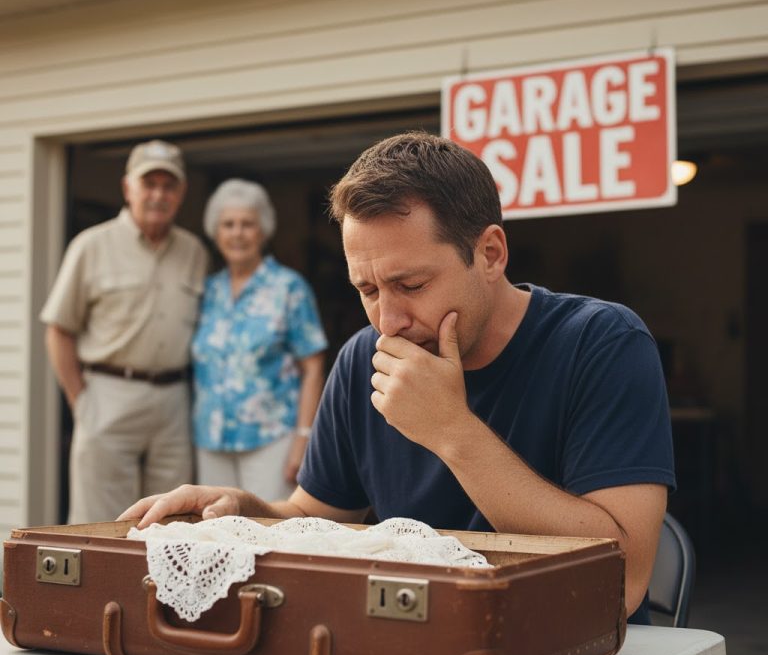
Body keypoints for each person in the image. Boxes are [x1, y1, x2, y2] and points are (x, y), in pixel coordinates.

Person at [121, 132, 675, 622]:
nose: (388, 321)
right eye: (367, 290)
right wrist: (245, 514)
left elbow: (621, 582)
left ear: (490, 253)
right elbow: (314, 518)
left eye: (411, 286)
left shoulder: (602, 343)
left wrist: (451, 431)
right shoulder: (363, 357)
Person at [42, 139, 208, 524]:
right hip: (108, 394)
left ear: (180, 194)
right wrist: (80, 402)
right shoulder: (91, 246)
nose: (158, 194)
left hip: (174, 403)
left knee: (173, 520)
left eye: (169, 186)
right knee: (102, 522)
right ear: (128, 188)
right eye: (149, 183)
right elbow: (58, 330)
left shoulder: (194, 251)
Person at [192, 179, 328, 500]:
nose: (237, 233)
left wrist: (303, 438)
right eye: (228, 224)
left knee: (267, 534)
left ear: (263, 231)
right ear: (216, 232)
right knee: (214, 535)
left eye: (247, 224)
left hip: (271, 439)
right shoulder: (208, 291)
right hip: (211, 439)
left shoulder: (289, 288)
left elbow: (313, 368)